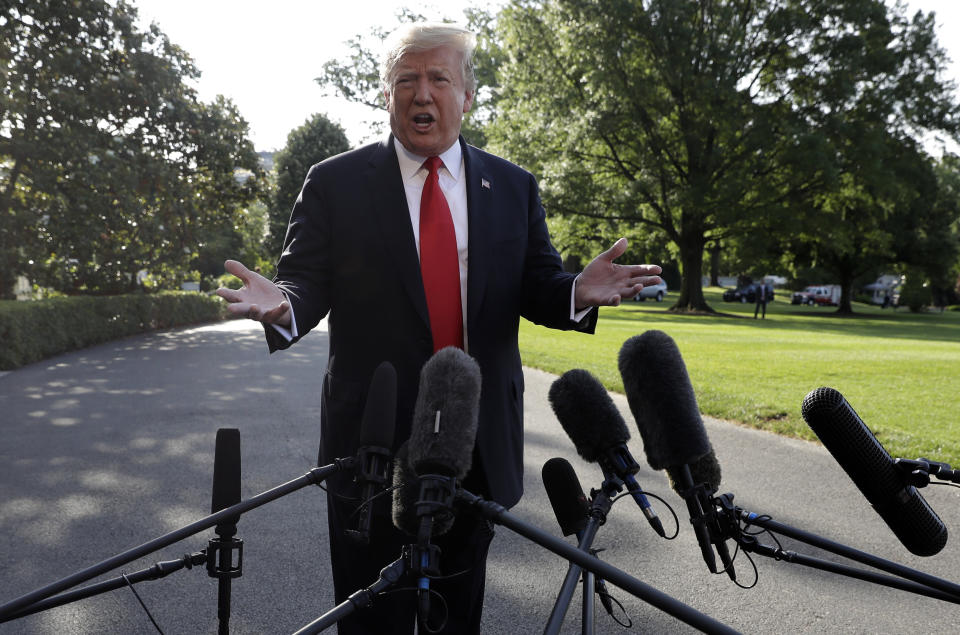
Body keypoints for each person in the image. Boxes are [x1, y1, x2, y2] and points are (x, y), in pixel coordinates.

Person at [216, 22, 662, 635]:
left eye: (438, 79)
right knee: (371, 612)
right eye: (406, 79)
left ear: (467, 94)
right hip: (370, 445)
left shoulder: (512, 186)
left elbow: (538, 285)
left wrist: (576, 293)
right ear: (386, 93)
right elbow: (304, 286)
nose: (421, 93)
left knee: (458, 613)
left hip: (474, 442)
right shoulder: (334, 183)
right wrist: (283, 304)